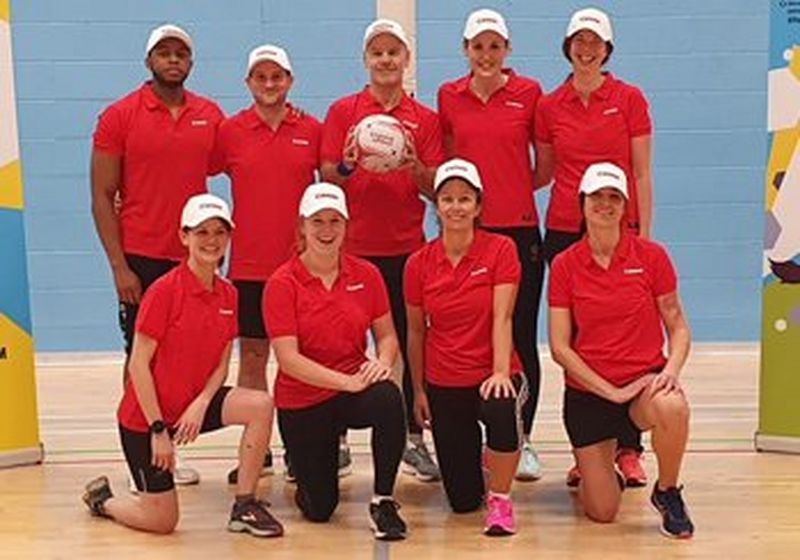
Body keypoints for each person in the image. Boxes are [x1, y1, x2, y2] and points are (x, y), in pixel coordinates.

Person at [82, 194, 283, 538]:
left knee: (260, 405)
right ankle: (103, 501)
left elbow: (221, 360)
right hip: (147, 421)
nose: (211, 240)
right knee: (162, 522)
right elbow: (138, 366)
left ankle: (245, 505)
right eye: (201, 232)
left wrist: (203, 402)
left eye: (219, 232)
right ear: (184, 237)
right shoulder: (163, 292)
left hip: (191, 408)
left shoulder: (228, 294)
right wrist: (159, 429)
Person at [91, 23, 224, 485]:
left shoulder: (210, 115)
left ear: (190, 63)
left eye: (181, 54)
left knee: (181, 362)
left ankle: (164, 451)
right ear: (149, 61)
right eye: (164, 53)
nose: (173, 60)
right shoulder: (119, 116)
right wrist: (119, 266)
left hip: (194, 258)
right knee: (141, 360)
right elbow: (102, 195)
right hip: (141, 259)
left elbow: (245, 151)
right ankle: (142, 459)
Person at [320, 18, 444, 482]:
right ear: (366, 60)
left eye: (394, 52)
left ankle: (414, 439)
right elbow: (327, 176)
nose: (386, 60)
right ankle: (336, 440)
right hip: (352, 251)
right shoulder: (343, 111)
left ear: (405, 60)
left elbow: (437, 190)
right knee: (341, 344)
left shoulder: (425, 119)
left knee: (410, 346)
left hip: (408, 250)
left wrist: (414, 167)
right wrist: (349, 165)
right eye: (378, 53)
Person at [534, 7, 654, 487]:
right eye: (579, 41)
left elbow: (641, 171)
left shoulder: (629, 99)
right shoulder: (550, 104)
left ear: (607, 50)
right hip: (565, 229)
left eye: (595, 42)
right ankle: (590, 447)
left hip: (619, 226)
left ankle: (629, 447)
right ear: (568, 47)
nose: (587, 49)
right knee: (579, 340)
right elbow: (542, 172)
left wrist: (642, 234)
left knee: (628, 336)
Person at [548, 163, 694, 539]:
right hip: (589, 396)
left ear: (625, 206)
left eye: (614, 197)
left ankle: (667, 491)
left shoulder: (652, 256)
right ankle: (597, 467)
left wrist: (670, 372)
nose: (605, 204)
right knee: (602, 512)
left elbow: (677, 326)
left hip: (640, 389)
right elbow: (560, 348)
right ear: (582, 204)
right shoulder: (565, 265)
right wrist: (609, 391)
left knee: (672, 404)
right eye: (597, 196)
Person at [264, 182, 408, 541]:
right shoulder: (282, 283)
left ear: (346, 225)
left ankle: (384, 500)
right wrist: (347, 382)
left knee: (389, 397)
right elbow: (288, 359)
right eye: (318, 222)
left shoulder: (367, 275)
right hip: (304, 398)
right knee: (319, 509)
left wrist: (383, 362)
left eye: (335, 221)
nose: (326, 231)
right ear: (302, 227)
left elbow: (387, 336)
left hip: (351, 391)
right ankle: (304, 464)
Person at [437, 8, 545, 481]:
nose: (486, 54)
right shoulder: (448, 96)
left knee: (519, 337)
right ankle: (465, 437)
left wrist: (511, 192)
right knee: (467, 335)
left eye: (494, 46)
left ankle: (520, 442)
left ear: (507, 50)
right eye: (477, 46)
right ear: (466, 50)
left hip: (518, 232)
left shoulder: (530, 93)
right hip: (465, 233)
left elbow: (546, 166)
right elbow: (442, 160)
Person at [212, 44, 321, 484]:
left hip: (302, 269)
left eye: (277, 76)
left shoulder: (312, 129)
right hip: (249, 270)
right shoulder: (230, 132)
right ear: (248, 83)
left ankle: (304, 449)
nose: (270, 84)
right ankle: (260, 453)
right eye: (261, 77)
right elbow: (187, 170)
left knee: (304, 363)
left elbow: (334, 184)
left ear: (290, 80)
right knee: (253, 361)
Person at [405, 159, 527, 536]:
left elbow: (502, 317)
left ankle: (502, 499)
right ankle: (476, 464)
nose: (456, 206)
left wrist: (501, 371)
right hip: (445, 380)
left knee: (501, 406)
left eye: (465, 199)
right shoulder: (418, 263)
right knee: (460, 502)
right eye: (447, 199)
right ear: (436, 206)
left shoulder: (501, 250)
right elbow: (415, 332)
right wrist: (420, 390)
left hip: (492, 373)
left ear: (478, 206)